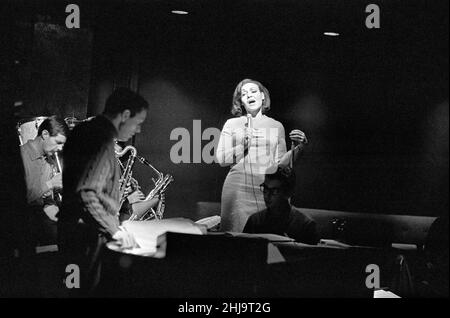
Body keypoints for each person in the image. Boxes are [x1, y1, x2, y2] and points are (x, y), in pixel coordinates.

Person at [58, 87, 149, 293]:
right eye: (138, 123)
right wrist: (115, 230)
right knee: (83, 290)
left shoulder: (85, 131)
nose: (138, 130)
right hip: (85, 235)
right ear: (125, 115)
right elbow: (87, 193)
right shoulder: (99, 138)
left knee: (71, 289)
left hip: (74, 231)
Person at [216, 79, 308, 232]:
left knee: (264, 238)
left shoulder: (276, 125)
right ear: (241, 102)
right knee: (235, 238)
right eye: (244, 94)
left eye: (253, 91)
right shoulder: (232, 124)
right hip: (237, 188)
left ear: (262, 96)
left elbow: (281, 165)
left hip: (266, 189)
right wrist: (242, 146)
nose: (249, 95)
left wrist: (299, 148)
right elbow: (221, 160)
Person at [20, 116, 69, 245]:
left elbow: (46, 202)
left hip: (40, 220)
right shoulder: (19, 156)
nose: (60, 148)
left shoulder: (50, 160)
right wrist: (50, 184)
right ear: (45, 134)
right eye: (58, 142)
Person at [243, 167, 319, 245]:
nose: (267, 195)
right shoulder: (255, 221)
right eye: (265, 188)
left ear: (288, 193)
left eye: (274, 191)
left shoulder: (305, 226)